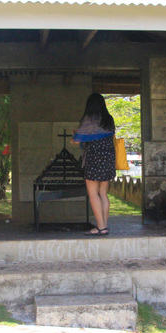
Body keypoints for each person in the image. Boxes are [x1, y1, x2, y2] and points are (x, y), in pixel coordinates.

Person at [72, 93, 116, 235]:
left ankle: (100, 227)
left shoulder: (89, 119)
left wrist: (74, 137)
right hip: (108, 159)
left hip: (94, 159)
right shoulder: (109, 119)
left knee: (93, 193)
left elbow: (77, 140)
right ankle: (104, 226)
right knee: (103, 193)